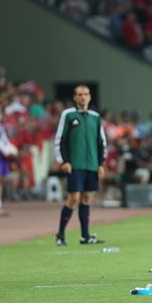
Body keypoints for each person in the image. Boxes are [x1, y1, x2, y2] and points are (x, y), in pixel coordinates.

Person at [54, 85, 107, 246]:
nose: (83, 97)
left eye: (85, 94)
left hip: (92, 164)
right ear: (75, 97)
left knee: (87, 198)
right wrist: (63, 161)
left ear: (90, 97)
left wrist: (101, 164)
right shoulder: (68, 115)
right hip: (75, 164)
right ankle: (60, 235)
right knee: (73, 198)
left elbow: (101, 142)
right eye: (79, 94)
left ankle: (85, 236)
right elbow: (60, 140)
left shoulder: (95, 117)